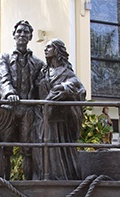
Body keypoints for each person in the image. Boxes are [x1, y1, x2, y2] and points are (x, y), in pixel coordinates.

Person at [0, 20, 45, 180]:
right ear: (14, 35)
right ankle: (4, 183)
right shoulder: (4, 57)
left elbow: (42, 85)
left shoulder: (38, 63)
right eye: (19, 32)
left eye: (25, 32)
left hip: (28, 110)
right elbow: (3, 78)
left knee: (28, 149)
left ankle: (29, 185)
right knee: (5, 148)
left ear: (30, 36)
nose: (22, 34)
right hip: (9, 109)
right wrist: (9, 93)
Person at [36, 38, 86, 180]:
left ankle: (65, 178)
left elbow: (79, 87)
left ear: (57, 50)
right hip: (45, 118)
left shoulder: (66, 71)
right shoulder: (43, 71)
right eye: (45, 47)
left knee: (62, 149)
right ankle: (45, 178)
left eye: (49, 47)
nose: (45, 50)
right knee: (46, 147)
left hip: (61, 121)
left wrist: (65, 87)